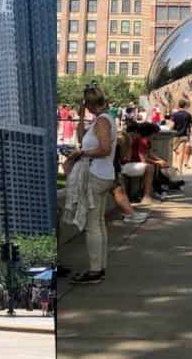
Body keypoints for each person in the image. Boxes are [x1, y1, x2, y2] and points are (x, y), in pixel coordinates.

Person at [66, 82, 117, 284]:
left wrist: (82, 153)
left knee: (92, 226)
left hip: (97, 175)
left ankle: (95, 271)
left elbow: (104, 149)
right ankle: (100, 268)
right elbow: (81, 137)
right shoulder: (101, 120)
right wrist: (79, 116)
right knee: (99, 224)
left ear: (89, 103)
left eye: (84, 104)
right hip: (103, 175)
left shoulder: (103, 122)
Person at [171, 100, 192, 172]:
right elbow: (191, 125)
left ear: (178, 105)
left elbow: (172, 125)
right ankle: (180, 168)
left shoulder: (175, 115)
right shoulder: (188, 115)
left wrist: (169, 130)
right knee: (182, 152)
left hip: (176, 135)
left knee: (174, 150)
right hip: (184, 135)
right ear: (185, 106)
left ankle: (175, 165)